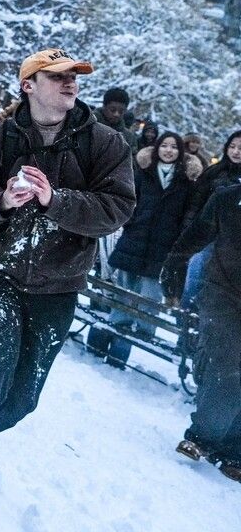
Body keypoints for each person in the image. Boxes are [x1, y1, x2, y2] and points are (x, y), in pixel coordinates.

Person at [0, 48, 134, 506]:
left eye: (75, 76)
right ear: (29, 85)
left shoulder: (104, 143)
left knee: (23, 397)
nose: (71, 83)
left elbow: (118, 208)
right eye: (58, 76)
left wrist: (55, 201)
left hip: (58, 286)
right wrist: (2, 202)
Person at [86, 132, 201, 367]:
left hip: (163, 247)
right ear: (157, 148)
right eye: (165, 146)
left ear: (181, 153)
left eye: (174, 147)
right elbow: (128, 200)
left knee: (149, 298)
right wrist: (130, 221)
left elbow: (188, 213)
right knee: (123, 293)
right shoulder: (143, 174)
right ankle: (112, 348)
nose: (168, 150)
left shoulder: (185, 182)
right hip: (134, 239)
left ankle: (136, 341)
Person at [161, 183, 241, 485]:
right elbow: (194, 237)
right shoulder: (227, 198)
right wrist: (173, 268)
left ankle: (234, 448)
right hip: (223, 295)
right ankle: (202, 437)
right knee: (227, 365)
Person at [178, 130, 241, 308]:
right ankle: (185, 325)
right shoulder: (214, 172)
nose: (236, 152)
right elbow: (195, 203)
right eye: (233, 147)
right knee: (194, 283)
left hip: (230, 245)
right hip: (204, 238)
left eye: (240, 148)